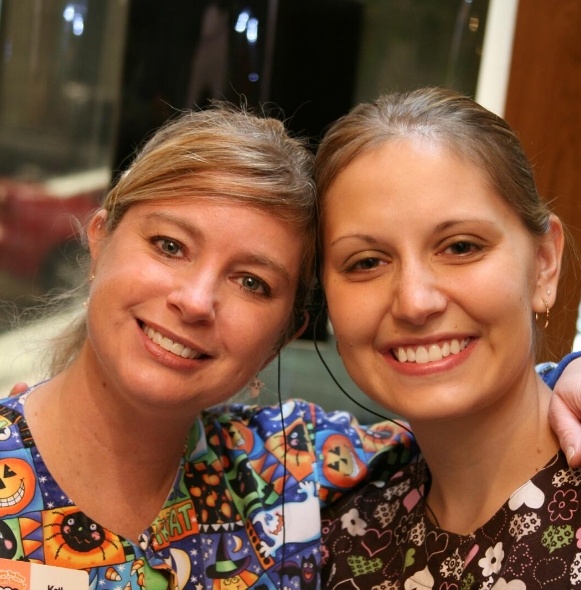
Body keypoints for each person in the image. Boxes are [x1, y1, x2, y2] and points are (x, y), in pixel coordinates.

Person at [1, 101, 579, 590]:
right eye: (170, 245)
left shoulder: (292, 471)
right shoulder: (350, 514)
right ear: (100, 242)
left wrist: (567, 376)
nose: (196, 300)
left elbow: (487, 422)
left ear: (287, 333)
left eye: (253, 282)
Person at [317, 87, 581, 588]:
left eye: (460, 247)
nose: (415, 302)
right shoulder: (343, 531)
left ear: (544, 264)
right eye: (367, 262)